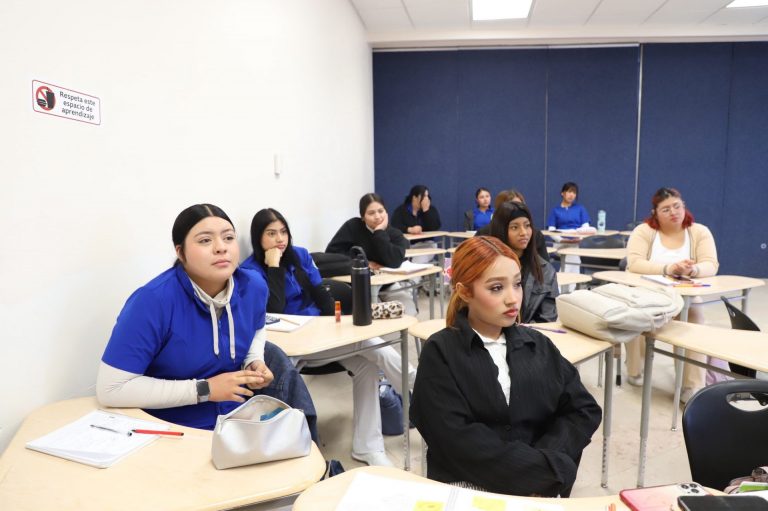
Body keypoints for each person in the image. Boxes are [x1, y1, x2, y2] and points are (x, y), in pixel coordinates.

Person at [97, 204, 317, 440]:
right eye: (205, 240)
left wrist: (253, 359)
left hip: (238, 419)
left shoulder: (253, 285)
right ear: (181, 252)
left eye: (228, 238)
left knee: (297, 442)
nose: (221, 247)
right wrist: (205, 389)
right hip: (172, 429)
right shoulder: (153, 301)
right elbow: (111, 388)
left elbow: (257, 326)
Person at [410, 236, 601, 497]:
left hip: (541, 486)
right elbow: (455, 441)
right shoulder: (440, 352)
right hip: (471, 489)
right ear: (465, 292)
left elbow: (583, 409)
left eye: (517, 284)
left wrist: (546, 460)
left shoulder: (538, 345)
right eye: (496, 288)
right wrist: (542, 471)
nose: (513, 299)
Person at [242, 208, 416, 467]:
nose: (280, 239)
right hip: (292, 348)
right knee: (373, 350)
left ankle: (369, 447)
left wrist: (337, 328)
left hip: (320, 333)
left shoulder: (300, 255)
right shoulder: (250, 272)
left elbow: (321, 293)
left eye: (283, 232)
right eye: (271, 233)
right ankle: (422, 389)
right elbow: (274, 311)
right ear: (258, 238)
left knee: (368, 361)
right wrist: (274, 266)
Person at [625, 187, 719, 402]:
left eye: (677, 206)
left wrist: (693, 270)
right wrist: (669, 268)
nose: (673, 212)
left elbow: (711, 264)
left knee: (695, 321)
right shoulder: (644, 231)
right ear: (655, 213)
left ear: (684, 206)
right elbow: (635, 263)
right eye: (665, 209)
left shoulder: (699, 232)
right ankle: (635, 370)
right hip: (647, 295)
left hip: (685, 298)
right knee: (634, 317)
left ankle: (691, 385)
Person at [326, 193, 417, 315]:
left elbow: (394, 261)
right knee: (371, 313)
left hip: (387, 284)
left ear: (386, 212)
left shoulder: (394, 234)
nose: (377, 216)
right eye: (371, 213)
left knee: (409, 310)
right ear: (363, 217)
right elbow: (332, 253)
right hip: (359, 286)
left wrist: (379, 232)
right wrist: (363, 263)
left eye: (381, 211)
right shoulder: (353, 227)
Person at [489, 201, 559, 323]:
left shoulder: (545, 270)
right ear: (501, 230)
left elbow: (547, 319)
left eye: (527, 225)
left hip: (530, 333)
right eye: (514, 227)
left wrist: (521, 333)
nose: (524, 233)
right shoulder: (487, 266)